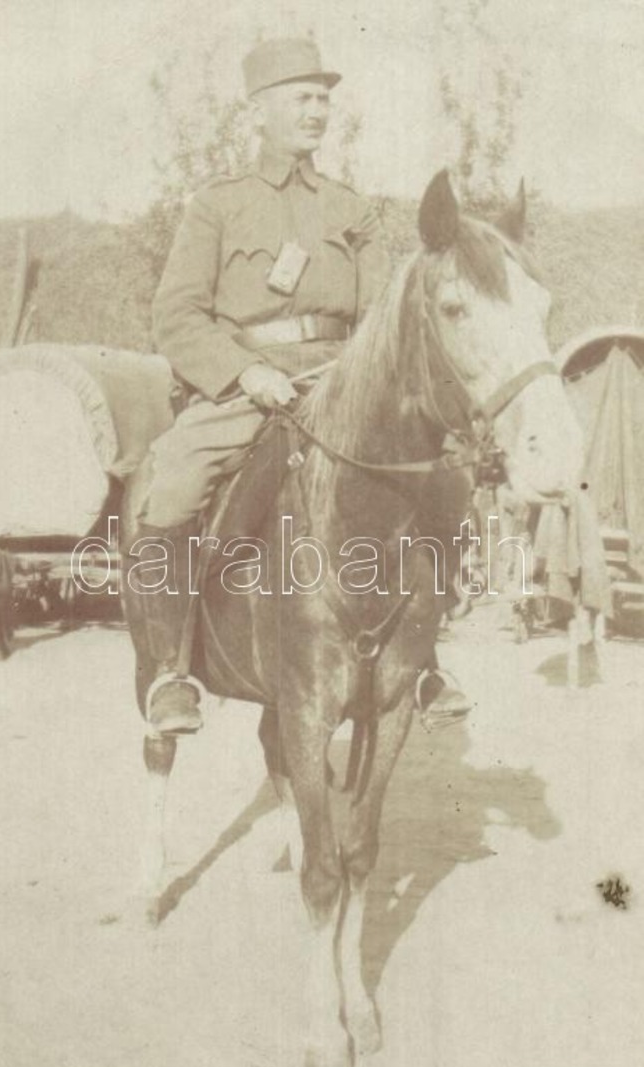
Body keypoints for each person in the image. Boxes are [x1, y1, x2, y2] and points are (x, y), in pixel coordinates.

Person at [130, 36, 469, 734]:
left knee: (434, 479)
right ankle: (170, 668)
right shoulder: (218, 206)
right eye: (301, 98)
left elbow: (382, 311)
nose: (317, 111)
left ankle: (425, 659)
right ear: (258, 113)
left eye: (323, 99)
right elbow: (176, 315)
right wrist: (243, 371)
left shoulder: (351, 208)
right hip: (243, 385)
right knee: (172, 485)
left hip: (339, 386)